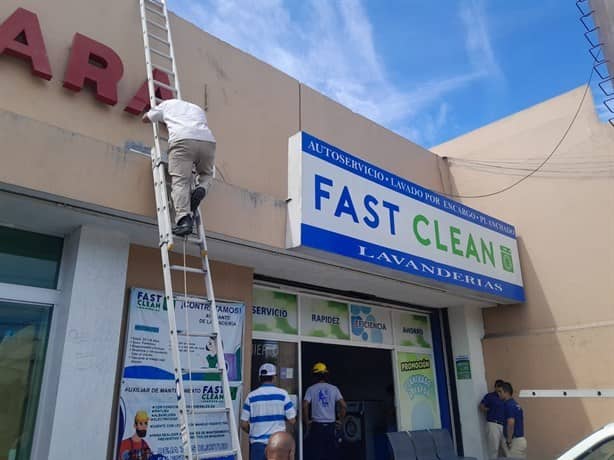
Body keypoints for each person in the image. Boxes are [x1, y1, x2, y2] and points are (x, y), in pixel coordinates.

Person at [143, 98, 216, 236]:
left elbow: (147, 118)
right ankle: (201, 188)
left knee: (180, 182)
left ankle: (184, 220)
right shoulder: (197, 108)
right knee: (206, 174)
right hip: (208, 142)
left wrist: (150, 116)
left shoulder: (166, 105)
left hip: (182, 141)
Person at [241, 363, 296, 460]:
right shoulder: (283, 394)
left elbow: (243, 424)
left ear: (259, 378)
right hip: (278, 445)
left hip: (257, 446)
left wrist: (254, 431)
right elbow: (292, 420)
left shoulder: (251, 396)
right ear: (274, 377)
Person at [302, 362, 347, 460]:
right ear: (326, 374)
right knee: (331, 454)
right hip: (330, 427)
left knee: (316, 454)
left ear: (314, 376)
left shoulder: (311, 389)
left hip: (317, 427)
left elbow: (304, 405)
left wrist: (307, 422)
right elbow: (344, 405)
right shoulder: (334, 389)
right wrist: (340, 421)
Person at [498, 382, 527, 459]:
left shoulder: (509, 405)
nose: (498, 394)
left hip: (515, 442)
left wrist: (509, 441)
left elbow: (511, 423)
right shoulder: (515, 404)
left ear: (506, 392)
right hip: (520, 440)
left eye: (500, 392)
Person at [479, 379, 505, 459]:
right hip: (493, 424)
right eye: (498, 387)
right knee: (494, 449)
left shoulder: (505, 396)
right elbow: (481, 406)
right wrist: (488, 410)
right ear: (495, 387)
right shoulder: (490, 396)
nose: (499, 389)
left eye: (501, 387)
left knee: (507, 449)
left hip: (504, 425)